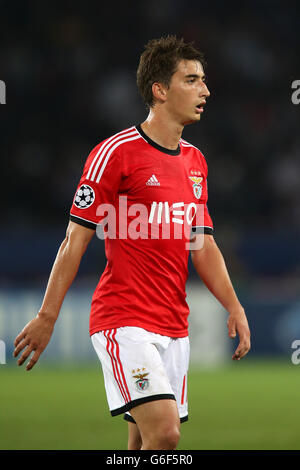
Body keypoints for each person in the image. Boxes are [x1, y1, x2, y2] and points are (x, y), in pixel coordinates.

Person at [13, 35, 251, 450]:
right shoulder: (115, 153)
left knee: (143, 444)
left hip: (175, 327)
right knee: (165, 433)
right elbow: (75, 239)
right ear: (160, 91)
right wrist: (48, 315)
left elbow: (204, 245)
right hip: (124, 321)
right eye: (192, 80)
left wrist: (234, 305)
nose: (205, 91)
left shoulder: (196, 161)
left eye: (204, 80)